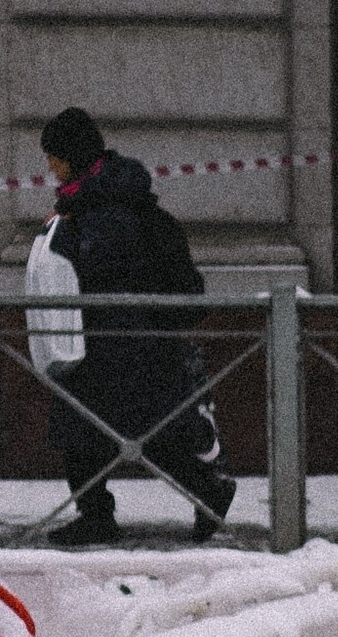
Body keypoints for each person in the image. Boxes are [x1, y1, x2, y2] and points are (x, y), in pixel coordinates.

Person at [31, 109, 235, 545]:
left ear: (74, 156)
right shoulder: (88, 200)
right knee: (88, 428)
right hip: (103, 339)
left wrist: (68, 231)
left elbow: (103, 265)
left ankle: (204, 494)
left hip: (127, 341)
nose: (50, 165)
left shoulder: (107, 207)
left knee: (133, 430)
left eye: (55, 156)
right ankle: (107, 512)